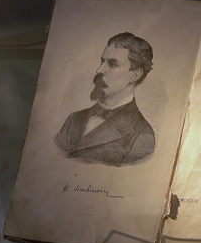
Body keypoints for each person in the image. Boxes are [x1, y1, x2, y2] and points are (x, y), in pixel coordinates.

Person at [54, 32, 155, 166]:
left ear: (135, 75)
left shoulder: (142, 135)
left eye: (112, 64)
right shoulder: (74, 118)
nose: (99, 70)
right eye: (102, 62)